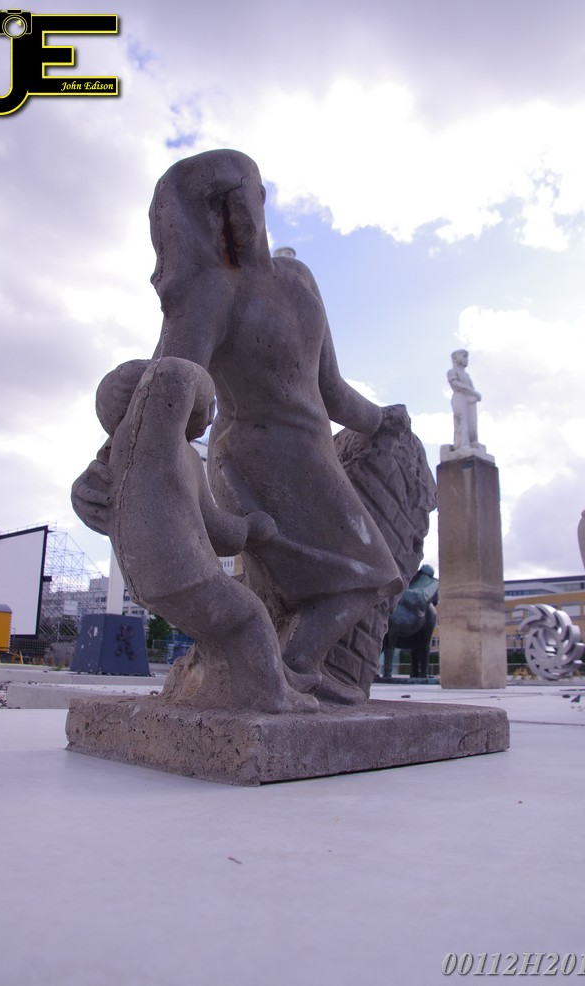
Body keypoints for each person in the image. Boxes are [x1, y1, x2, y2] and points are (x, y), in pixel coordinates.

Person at [148, 149, 403, 693]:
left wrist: (382, 419)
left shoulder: (299, 279)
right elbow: (169, 385)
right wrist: (125, 455)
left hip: (310, 456)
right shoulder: (211, 292)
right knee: (365, 574)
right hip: (254, 461)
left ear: (261, 198)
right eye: (220, 202)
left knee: (357, 578)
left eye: (243, 195)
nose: (237, 211)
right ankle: (289, 673)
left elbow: (331, 390)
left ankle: (284, 673)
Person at [76, 355, 318, 715]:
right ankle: (271, 695)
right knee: (250, 614)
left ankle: (272, 675)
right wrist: (202, 382)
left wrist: (250, 529)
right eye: (208, 405)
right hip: (180, 570)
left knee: (225, 630)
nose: (210, 415)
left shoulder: (180, 457)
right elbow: (172, 373)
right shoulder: (150, 442)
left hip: (153, 578)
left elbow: (217, 531)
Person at [447, 349, 481, 448]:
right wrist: (474, 393)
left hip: (469, 400)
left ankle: (472, 443)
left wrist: (473, 395)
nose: (466, 359)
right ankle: (462, 445)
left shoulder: (466, 375)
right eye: (464, 356)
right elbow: (456, 385)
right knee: (462, 421)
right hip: (459, 398)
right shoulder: (452, 372)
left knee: (472, 425)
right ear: (455, 358)